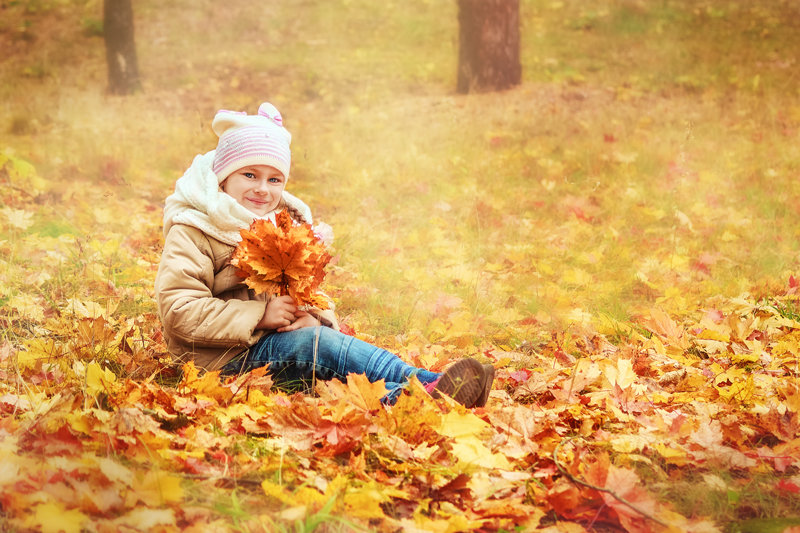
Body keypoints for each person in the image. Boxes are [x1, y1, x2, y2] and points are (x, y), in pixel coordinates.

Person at [155, 102, 494, 408]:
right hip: (220, 360)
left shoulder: (281, 226)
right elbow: (179, 309)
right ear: (223, 178)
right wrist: (260, 315)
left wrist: (313, 316)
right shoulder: (196, 228)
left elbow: (310, 293)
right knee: (319, 348)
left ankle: (429, 385)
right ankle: (424, 397)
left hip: (273, 343)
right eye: (249, 175)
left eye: (274, 179)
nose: (263, 188)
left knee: (330, 352)